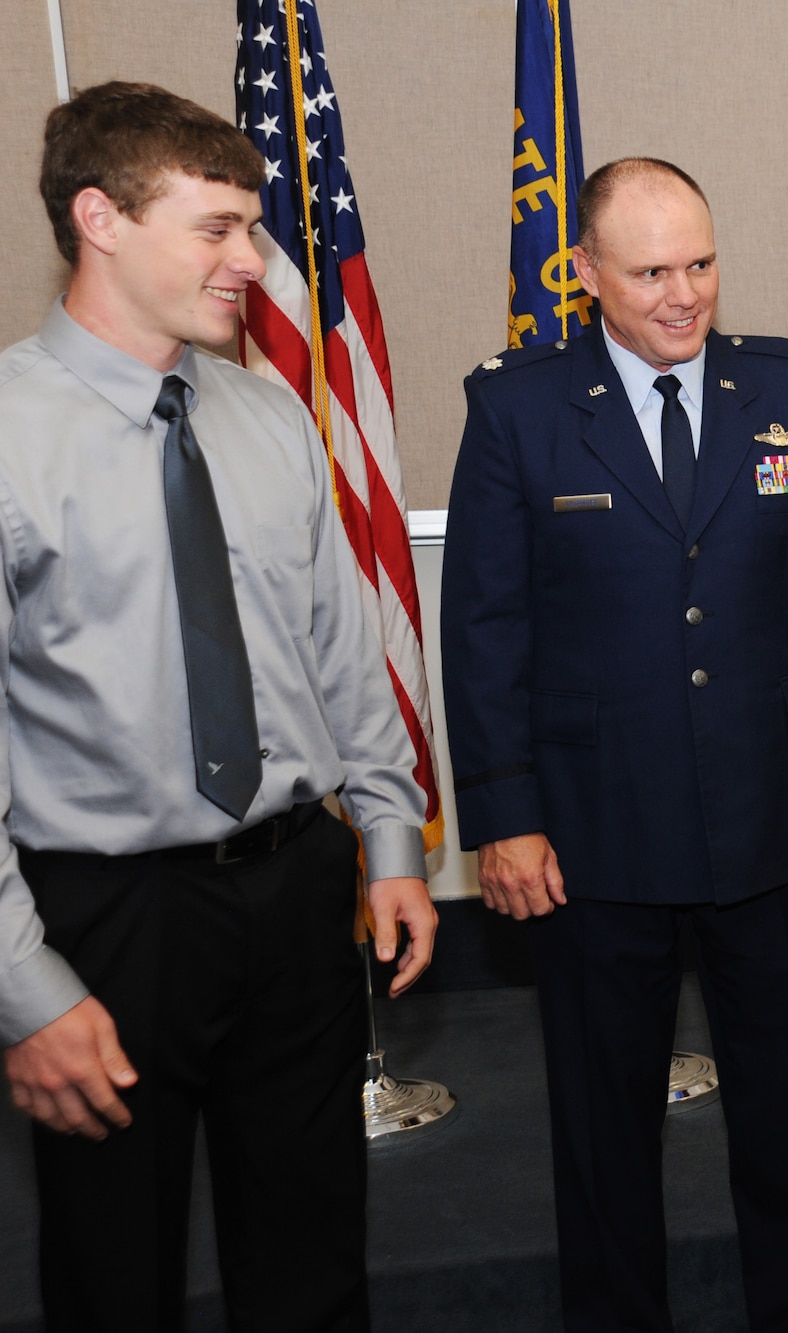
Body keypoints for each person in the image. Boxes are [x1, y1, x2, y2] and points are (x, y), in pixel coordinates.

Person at [440, 156, 788, 1333]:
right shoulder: (518, 407)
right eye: (650, 271)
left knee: (783, 1110)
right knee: (601, 1123)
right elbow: (485, 627)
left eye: (699, 262)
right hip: (592, 836)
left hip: (773, 816)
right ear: (586, 273)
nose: (683, 293)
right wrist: (503, 811)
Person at [0, 82, 437, 1331]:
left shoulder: (268, 418)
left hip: (298, 894)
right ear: (101, 218)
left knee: (311, 1266)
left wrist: (393, 842)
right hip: (102, 918)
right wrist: (24, 990)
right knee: (114, 1276)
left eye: (252, 226)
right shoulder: (7, 434)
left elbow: (342, 658)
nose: (250, 259)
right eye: (217, 228)